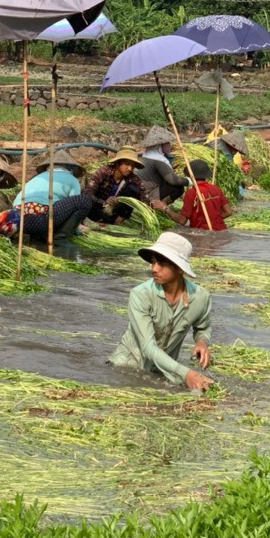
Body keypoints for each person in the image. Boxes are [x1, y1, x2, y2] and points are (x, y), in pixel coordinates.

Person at [109, 231, 214, 391]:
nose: (154, 269)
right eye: (153, 262)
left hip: (164, 371)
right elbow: (148, 347)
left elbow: (202, 327)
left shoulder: (200, 297)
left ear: (179, 269)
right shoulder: (141, 294)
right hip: (127, 368)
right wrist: (186, 374)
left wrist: (201, 342)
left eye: (162, 263)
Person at [0, 149, 92, 240]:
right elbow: (74, 207)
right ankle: (60, 237)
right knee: (84, 200)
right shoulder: (72, 180)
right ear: (70, 168)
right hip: (41, 220)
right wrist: (76, 228)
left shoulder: (37, 177)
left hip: (18, 217)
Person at [157, 160, 233, 230]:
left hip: (202, 233)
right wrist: (214, 220)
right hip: (221, 229)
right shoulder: (216, 188)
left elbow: (182, 220)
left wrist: (165, 208)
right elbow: (228, 212)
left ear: (190, 175)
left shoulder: (192, 192)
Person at [84, 147, 149, 224]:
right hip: (95, 208)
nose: (130, 168)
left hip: (113, 212)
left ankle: (116, 222)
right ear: (118, 163)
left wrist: (153, 205)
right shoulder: (104, 172)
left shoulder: (133, 178)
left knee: (134, 189)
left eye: (132, 165)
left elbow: (144, 196)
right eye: (127, 164)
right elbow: (87, 193)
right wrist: (104, 203)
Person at [135, 125, 190, 205]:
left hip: (141, 190)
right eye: (167, 143)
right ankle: (159, 206)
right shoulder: (158, 160)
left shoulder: (147, 155)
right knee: (178, 188)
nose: (170, 145)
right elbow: (174, 180)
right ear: (160, 145)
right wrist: (189, 181)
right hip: (146, 194)